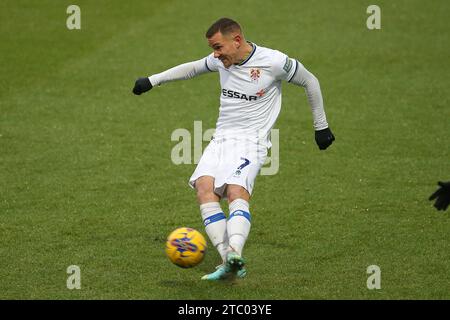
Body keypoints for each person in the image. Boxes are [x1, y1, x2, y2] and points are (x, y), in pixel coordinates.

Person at [132, 18, 335, 280]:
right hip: (221, 138)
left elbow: (311, 81)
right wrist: (152, 80)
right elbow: (193, 68)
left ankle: (235, 251)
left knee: (236, 190)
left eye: (218, 47)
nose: (215, 55)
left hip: (252, 142)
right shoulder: (220, 60)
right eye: (213, 49)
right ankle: (227, 259)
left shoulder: (273, 62)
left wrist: (321, 126)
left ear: (236, 40)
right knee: (205, 187)